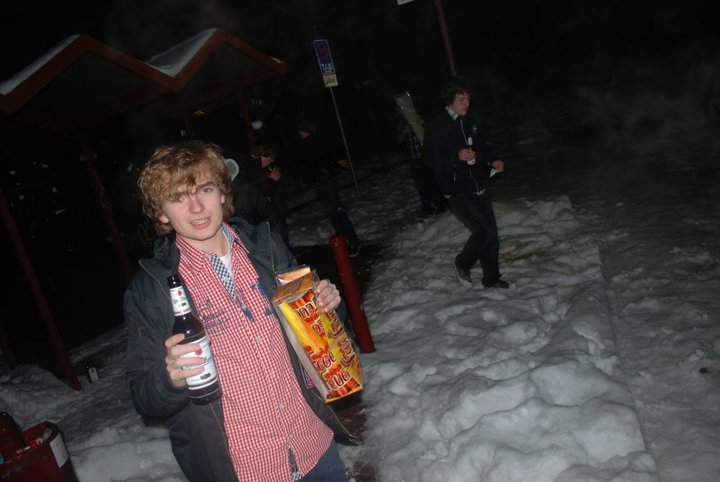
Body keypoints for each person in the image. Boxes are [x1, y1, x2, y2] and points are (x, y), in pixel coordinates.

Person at [124, 140, 356, 482]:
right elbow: (145, 396)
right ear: (161, 213)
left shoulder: (267, 249)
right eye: (179, 198)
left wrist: (329, 307)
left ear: (222, 193)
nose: (197, 207)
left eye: (205, 189)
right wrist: (170, 378)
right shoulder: (151, 290)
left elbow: (323, 335)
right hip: (245, 469)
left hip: (315, 447)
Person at [423, 78, 509, 289]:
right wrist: (456, 156)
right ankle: (462, 263)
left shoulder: (470, 120)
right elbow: (429, 159)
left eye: (468, 99)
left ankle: (492, 278)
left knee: (492, 235)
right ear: (449, 100)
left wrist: (493, 159)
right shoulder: (437, 126)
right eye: (461, 99)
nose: (466, 103)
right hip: (455, 189)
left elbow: (482, 145)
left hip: (478, 184)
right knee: (483, 232)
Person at [295, 117, 361, 257]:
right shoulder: (313, 143)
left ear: (305, 131)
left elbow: (326, 157)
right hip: (323, 181)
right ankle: (344, 242)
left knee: (336, 212)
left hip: (325, 182)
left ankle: (351, 241)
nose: (298, 133)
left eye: (300, 130)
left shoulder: (313, 143)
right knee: (333, 213)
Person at [226, 155, 289, 247]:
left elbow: (263, 203)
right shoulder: (247, 177)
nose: (272, 160)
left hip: (261, 235)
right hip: (254, 237)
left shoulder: (243, 185)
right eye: (270, 157)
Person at [395, 108, 445, 216]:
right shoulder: (401, 123)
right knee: (420, 185)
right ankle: (427, 209)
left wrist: (422, 125)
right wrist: (404, 132)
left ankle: (440, 206)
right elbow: (398, 141)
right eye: (397, 108)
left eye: (399, 107)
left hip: (425, 157)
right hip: (414, 159)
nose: (398, 110)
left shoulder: (418, 117)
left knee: (431, 183)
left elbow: (432, 133)